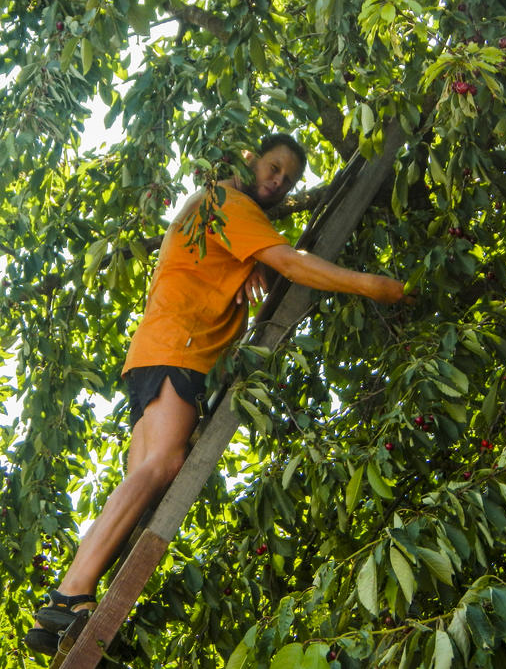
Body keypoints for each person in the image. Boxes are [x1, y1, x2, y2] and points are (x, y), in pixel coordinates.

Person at [25, 133, 409, 654]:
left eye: (289, 180)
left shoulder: (213, 203)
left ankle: (65, 608)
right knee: (162, 464)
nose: (278, 182)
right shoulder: (230, 202)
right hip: (179, 348)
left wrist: (253, 261)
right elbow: (292, 263)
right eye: (273, 168)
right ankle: (71, 592)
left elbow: (252, 253)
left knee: (143, 485)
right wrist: (374, 286)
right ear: (250, 160)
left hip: (156, 349)